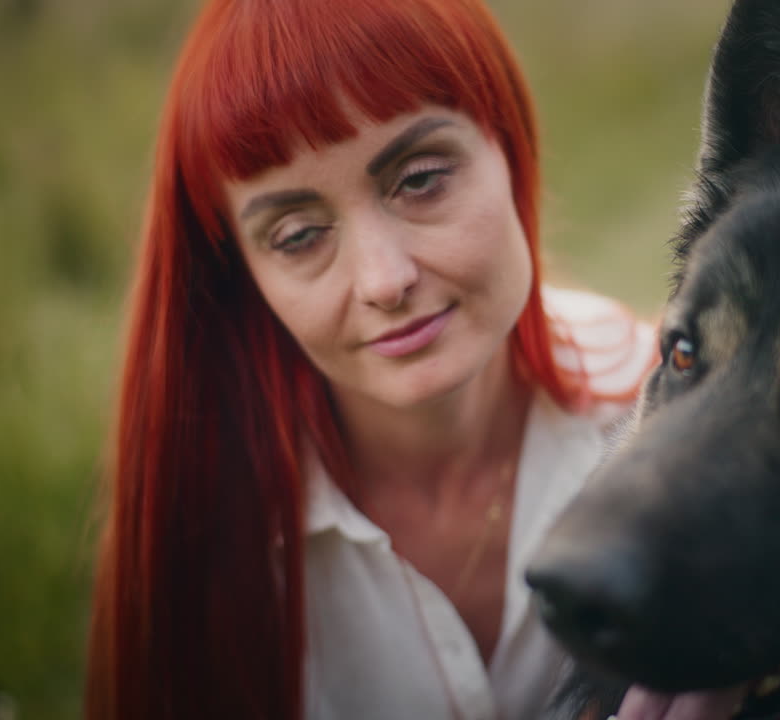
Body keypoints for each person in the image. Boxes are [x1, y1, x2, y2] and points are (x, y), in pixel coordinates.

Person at [84, 0, 658, 717]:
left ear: (510, 146)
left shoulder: (665, 417)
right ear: (244, 277)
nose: (385, 281)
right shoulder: (204, 528)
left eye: (420, 181)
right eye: (297, 235)